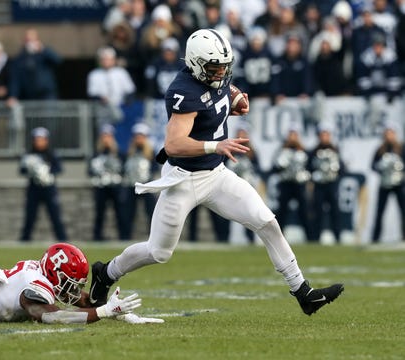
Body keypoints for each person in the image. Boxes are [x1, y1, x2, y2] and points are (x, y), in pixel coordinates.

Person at [88, 29, 344, 316]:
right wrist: (215, 145)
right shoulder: (184, 90)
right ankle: (106, 273)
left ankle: (303, 292)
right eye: (215, 67)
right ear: (197, 64)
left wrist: (236, 101)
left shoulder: (216, 73)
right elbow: (173, 145)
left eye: (225, 66)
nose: (222, 72)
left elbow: (223, 90)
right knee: (158, 252)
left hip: (215, 174)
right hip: (183, 179)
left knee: (267, 221)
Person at [0, 189, 158, 325]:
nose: (75, 290)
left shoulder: (39, 270)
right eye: (71, 282)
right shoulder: (36, 288)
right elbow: (51, 316)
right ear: (56, 275)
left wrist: (114, 310)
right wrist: (102, 312)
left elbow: (77, 298)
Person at [19, 127, 68, 242]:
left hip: (49, 189)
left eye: (42, 139)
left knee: (55, 215)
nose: (39, 142)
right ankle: (25, 239)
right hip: (34, 189)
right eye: (37, 139)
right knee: (30, 215)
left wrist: (47, 173)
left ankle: (62, 239)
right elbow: (22, 170)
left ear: (46, 140)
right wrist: (32, 171)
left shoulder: (52, 154)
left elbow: (59, 169)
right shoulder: (28, 154)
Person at [271, 126, 312, 241]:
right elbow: (274, 168)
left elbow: (310, 168)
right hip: (285, 184)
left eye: (294, 135)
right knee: (282, 211)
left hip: (299, 185)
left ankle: (310, 237)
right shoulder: (281, 150)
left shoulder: (304, 151)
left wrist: (305, 176)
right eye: (290, 135)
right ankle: (278, 237)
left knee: (304, 211)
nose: (292, 137)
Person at [88, 124, 126, 241]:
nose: (106, 139)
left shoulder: (119, 153)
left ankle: (123, 236)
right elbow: (89, 171)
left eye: (108, 136)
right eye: (104, 136)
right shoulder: (95, 154)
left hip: (116, 187)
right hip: (101, 188)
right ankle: (97, 237)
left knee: (120, 213)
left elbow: (124, 169)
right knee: (100, 213)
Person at [307, 125, 344, 243]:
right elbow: (308, 168)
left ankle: (337, 237)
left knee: (335, 212)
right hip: (319, 186)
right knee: (317, 212)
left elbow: (342, 168)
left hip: (332, 185)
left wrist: (335, 177)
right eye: (322, 134)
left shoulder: (335, 150)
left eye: (326, 134)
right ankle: (315, 238)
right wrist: (314, 176)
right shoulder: (313, 151)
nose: (324, 137)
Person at [121, 122, 157, 240]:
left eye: (141, 136)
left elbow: (154, 168)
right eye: (137, 136)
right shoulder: (129, 152)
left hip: (147, 186)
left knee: (151, 211)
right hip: (132, 186)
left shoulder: (151, 153)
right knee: (128, 212)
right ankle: (126, 236)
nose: (139, 139)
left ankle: (154, 236)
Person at [370, 122, 405, 242]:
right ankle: (375, 238)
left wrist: (398, 167)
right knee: (379, 212)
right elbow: (373, 166)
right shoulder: (380, 150)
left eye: (391, 133)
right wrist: (381, 167)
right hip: (384, 184)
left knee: (403, 210)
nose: (389, 135)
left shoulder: (401, 148)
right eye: (387, 133)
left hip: (399, 184)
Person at [7, 28, 62, 104]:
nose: (30, 43)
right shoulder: (19, 59)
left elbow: (57, 60)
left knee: (49, 115)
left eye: (32, 40)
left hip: (47, 95)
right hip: (29, 97)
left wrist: (43, 50)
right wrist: (13, 95)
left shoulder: (44, 54)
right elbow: (15, 80)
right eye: (28, 40)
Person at [86, 46, 135, 127]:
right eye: (104, 59)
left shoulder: (121, 72)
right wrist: (102, 98)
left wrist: (126, 104)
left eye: (108, 59)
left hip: (120, 107)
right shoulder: (94, 74)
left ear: (114, 60)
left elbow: (130, 90)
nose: (106, 62)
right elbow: (92, 93)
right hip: (102, 109)